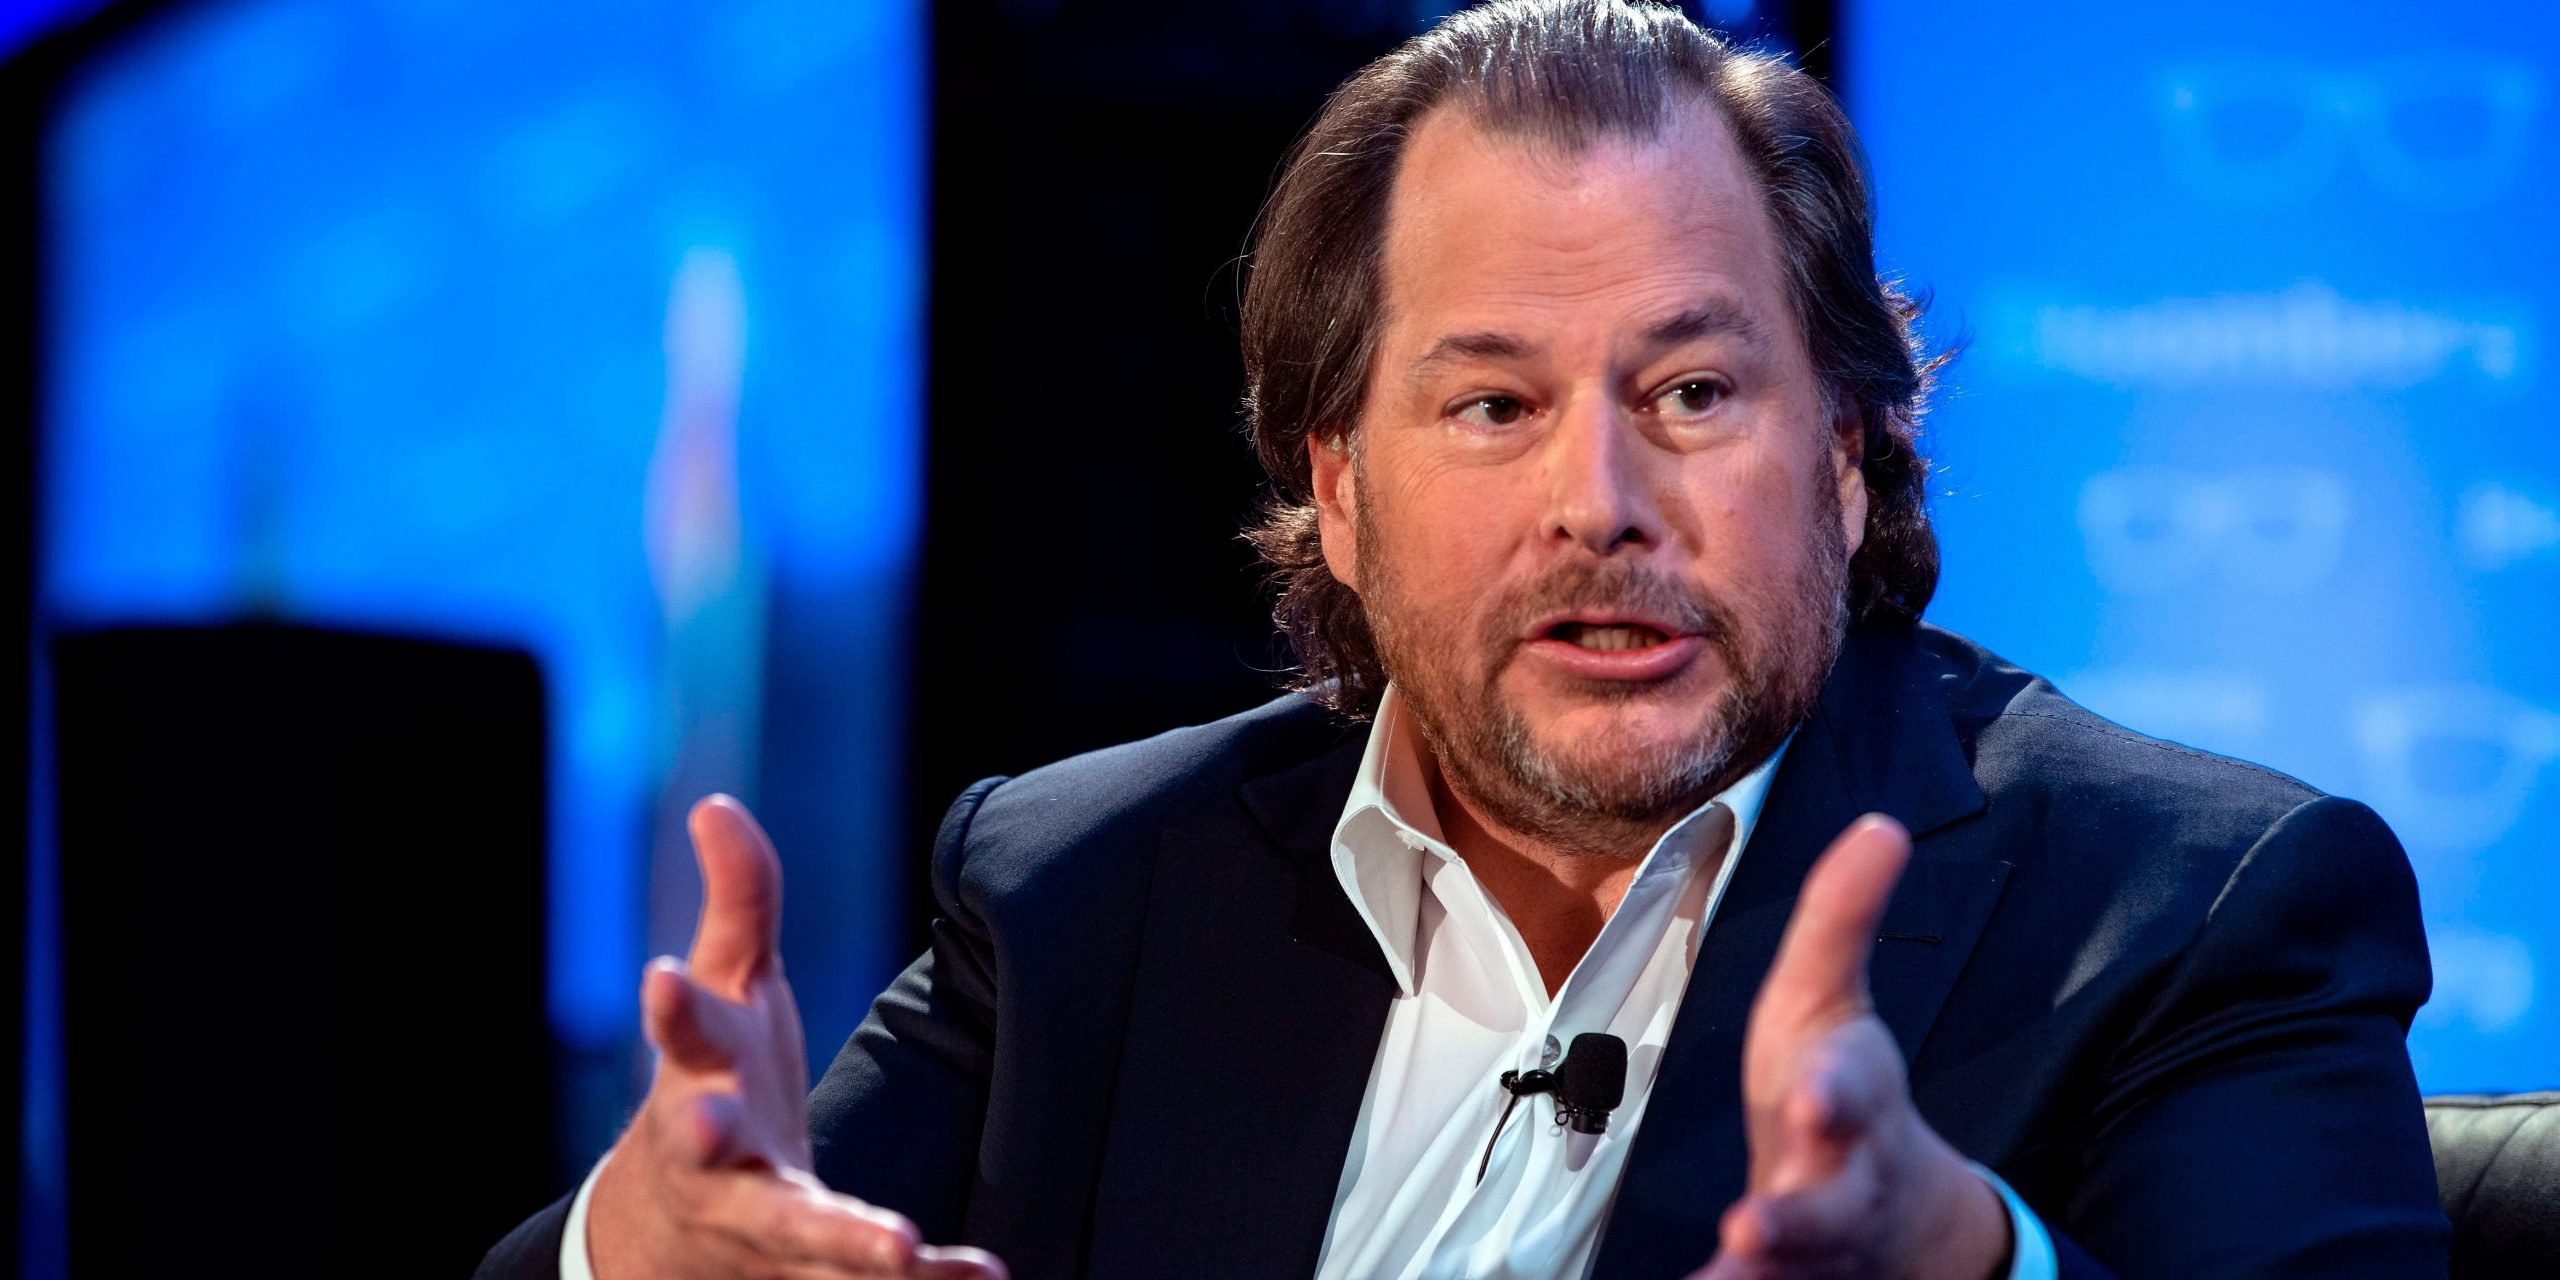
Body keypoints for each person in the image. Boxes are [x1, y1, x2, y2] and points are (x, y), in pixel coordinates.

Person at [478, 3, 2449, 1277]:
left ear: (1844, 461)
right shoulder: (1081, 890)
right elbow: (744, 1246)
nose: (1597, 497)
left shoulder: (2185, 907)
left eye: (1689, 392)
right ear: (1332, 488)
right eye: (1490, 405)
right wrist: (636, 1250)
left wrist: (1961, 1261)